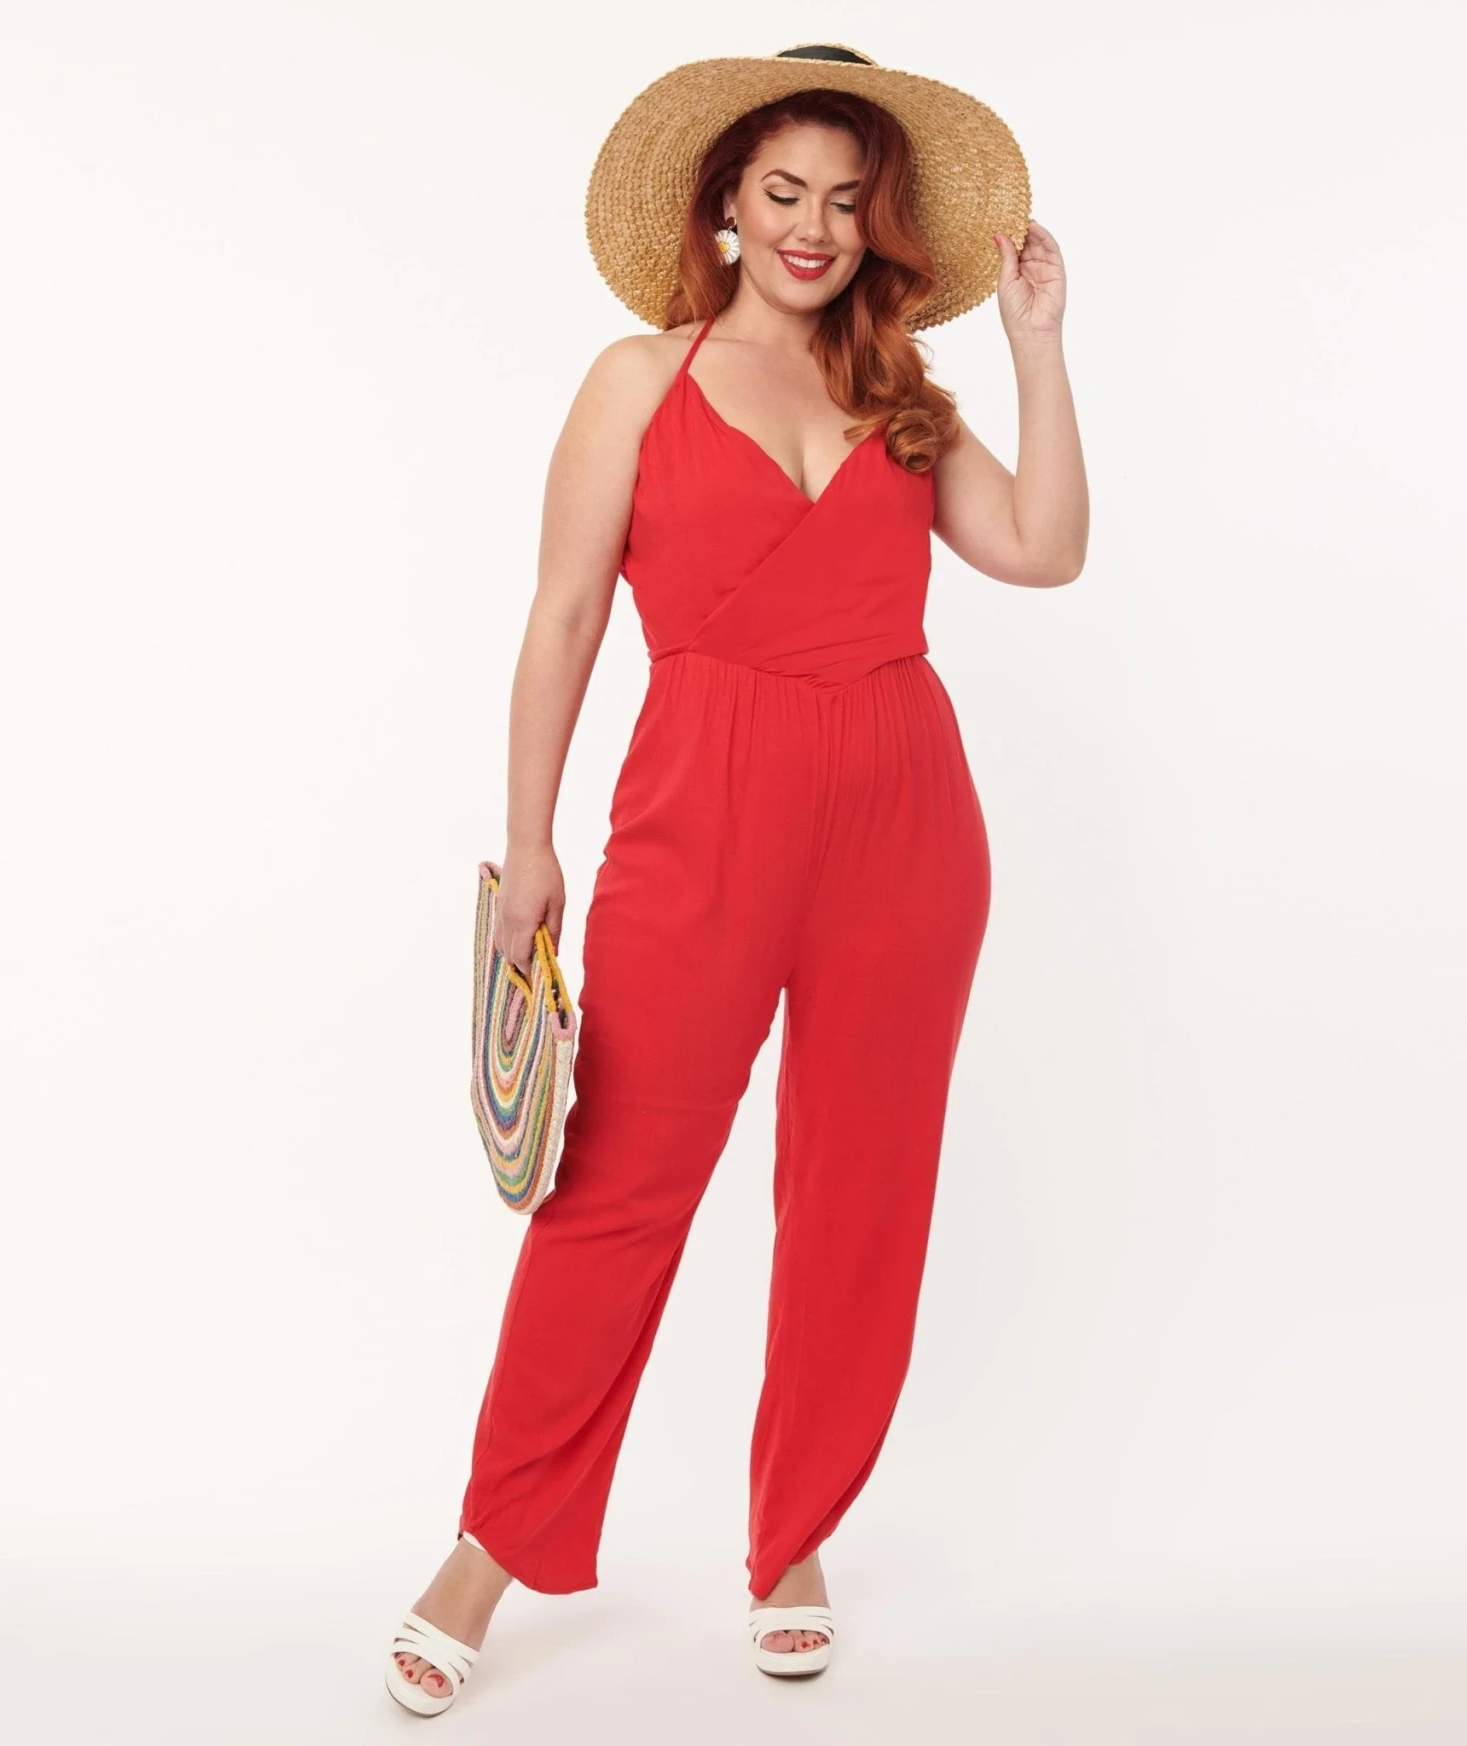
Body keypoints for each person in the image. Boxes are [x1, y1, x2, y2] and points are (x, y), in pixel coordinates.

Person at [385, 42, 1086, 1715]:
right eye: (784, 193)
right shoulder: (639, 379)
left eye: (845, 201)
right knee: (617, 1184)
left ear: (878, 223)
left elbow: (1044, 547)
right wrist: (533, 844)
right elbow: (565, 615)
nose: (813, 229)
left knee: (859, 1192)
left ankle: (793, 1536)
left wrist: (1038, 348)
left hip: (905, 824)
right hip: (698, 816)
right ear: (723, 202)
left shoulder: (906, 391)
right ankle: (491, 1544)